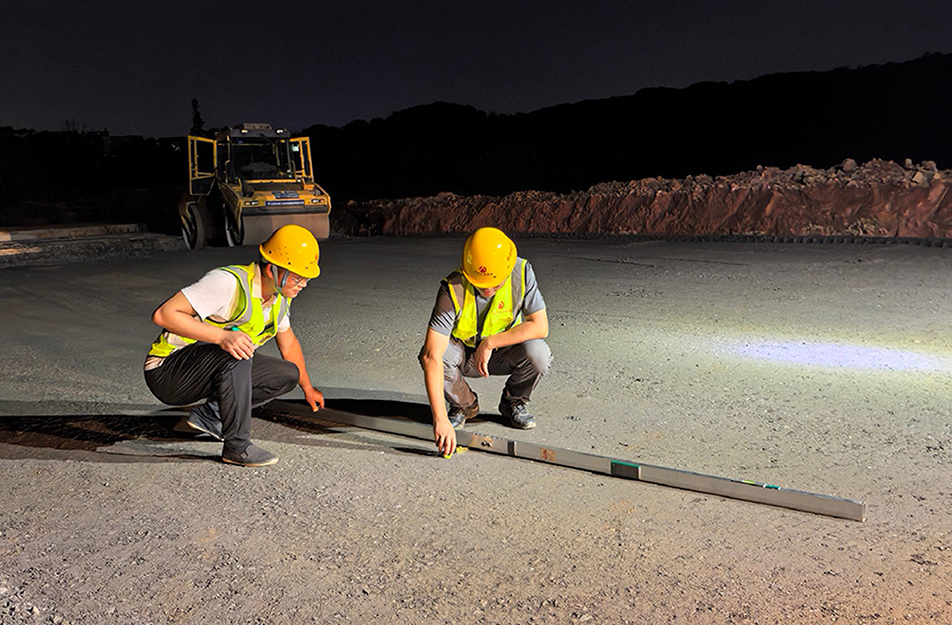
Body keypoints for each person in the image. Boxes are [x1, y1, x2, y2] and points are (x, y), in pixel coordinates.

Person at [144, 224, 325, 467]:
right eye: (297, 276)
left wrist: (307, 388)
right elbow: (164, 315)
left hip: (207, 369)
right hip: (168, 371)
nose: (303, 283)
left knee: (287, 374)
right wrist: (221, 336)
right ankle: (237, 446)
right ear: (272, 269)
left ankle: (211, 415)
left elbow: (289, 344)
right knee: (238, 348)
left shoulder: (279, 299)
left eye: (306, 278)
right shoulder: (228, 283)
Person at [419, 227, 552, 457]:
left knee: (539, 352)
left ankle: (513, 402)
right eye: (480, 283)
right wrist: (439, 419)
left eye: (495, 282)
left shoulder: (521, 272)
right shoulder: (453, 289)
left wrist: (489, 343)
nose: (488, 288)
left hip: (500, 353)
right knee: (439, 355)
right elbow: (430, 355)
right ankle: (464, 404)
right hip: (464, 356)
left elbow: (540, 326)